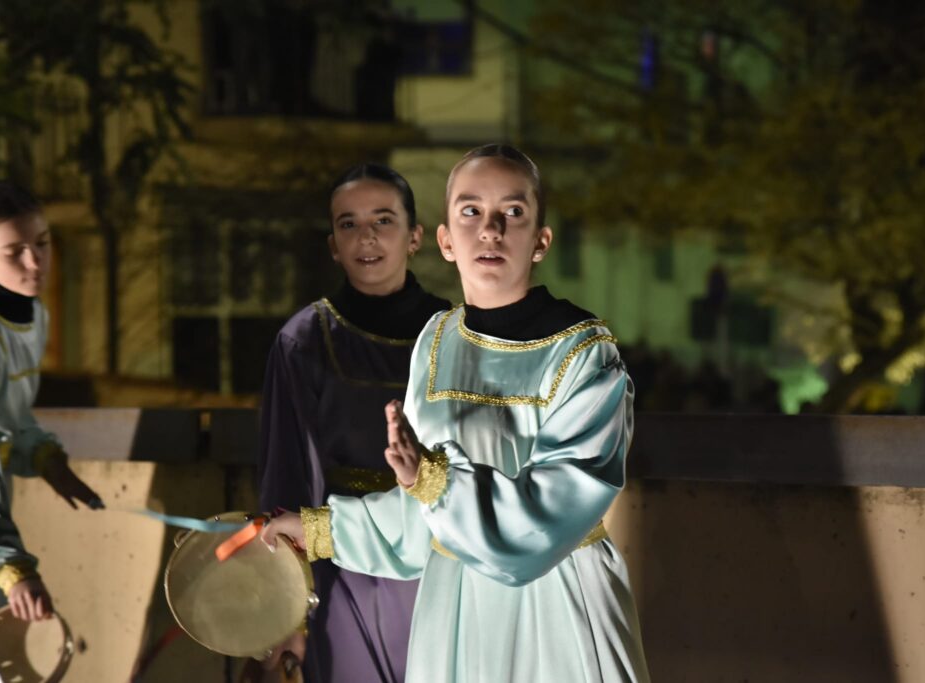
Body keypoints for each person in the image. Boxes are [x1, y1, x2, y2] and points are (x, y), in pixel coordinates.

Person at [265, 145, 650, 682]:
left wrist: (434, 481)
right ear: (446, 240)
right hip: (456, 608)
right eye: (471, 211)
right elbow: (419, 518)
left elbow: (558, 507)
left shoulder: (583, 353)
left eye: (512, 212)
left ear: (540, 241)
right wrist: (318, 530)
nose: (490, 229)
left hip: (555, 601)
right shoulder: (437, 341)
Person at [257, 164, 449, 682]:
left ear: (415, 237)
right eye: (349, 224)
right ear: (333, 246)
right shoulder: (304, 340)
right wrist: (286, 609)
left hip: (440, 560)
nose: (366, 237)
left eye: (383, 220)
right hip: (343, 569)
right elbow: (285, 474)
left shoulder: (454, 335)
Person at [0, 181, 104, 622]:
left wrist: (47, 459)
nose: (35, 262)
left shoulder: (33, 314)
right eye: (14, 252)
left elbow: (10, 418)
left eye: (42, 243)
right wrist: (10, 565)